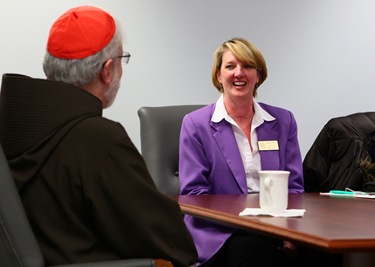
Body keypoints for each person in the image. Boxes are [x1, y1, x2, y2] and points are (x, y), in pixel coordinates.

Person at [0, 6, 197, 267]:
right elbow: (172, 243)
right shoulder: (101, 140)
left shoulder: (9, 120)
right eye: (121, 60)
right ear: (107, 71)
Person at [178, 37, 304, 266]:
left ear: (258, 75)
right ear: (218, 75)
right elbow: (194, 194)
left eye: (247, 66)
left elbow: (294, 187)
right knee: (259, 255)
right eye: (230, 66)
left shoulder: (283, 121)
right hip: (220, 233)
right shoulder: (195, 125)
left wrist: (290, 234)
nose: (239, 73)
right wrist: (249, 216)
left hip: (274, 229)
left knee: (323, 254)